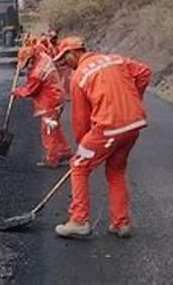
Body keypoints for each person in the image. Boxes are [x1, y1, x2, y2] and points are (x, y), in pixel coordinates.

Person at [52, 36, 152, 239]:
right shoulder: (116, 59)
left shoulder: (80, 75)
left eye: (65, 58)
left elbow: (80, 119)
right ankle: (120, 223)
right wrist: (134, 100)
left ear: (74, 52)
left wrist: (83, 147)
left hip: (109, 128)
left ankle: (79, 221)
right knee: (116, 170)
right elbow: (144, 73)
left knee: (79, 166)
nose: (65, 63)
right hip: (133, 124)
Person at [12, 38, 73, 169]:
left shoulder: (37, 72)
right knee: (54, 127)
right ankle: (64, 152)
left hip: (50, 101)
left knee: (48, 130)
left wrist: (17, 92)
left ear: (31, 58)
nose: (27, 65)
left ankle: (52, 159)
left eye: (28, 62)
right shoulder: (42, 56)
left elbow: (30, 89)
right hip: (56, 97)